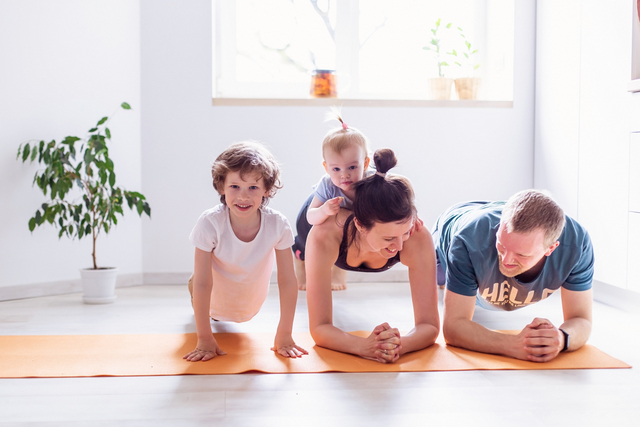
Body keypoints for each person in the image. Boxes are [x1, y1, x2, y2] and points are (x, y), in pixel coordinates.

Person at [305, 148, 440, 363]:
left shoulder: (415, 236)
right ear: (360, 225)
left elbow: (430, 326)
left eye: (403, 233)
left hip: (369, 203)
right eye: (388, 239)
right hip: (323, 211)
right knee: (305, 242)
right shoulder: (324, 235)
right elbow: (320, 328)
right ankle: (305, 257)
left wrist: (396, 345)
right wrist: (363, 347)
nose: (398, 245)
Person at [435, 190, 594, 362]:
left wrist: (562, 338)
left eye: (522, 255)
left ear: (551, 248)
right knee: (438, 277)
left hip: (486, 228)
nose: (506, 260)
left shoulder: (578, 245)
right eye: (501, 246)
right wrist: (513, 345)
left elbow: (581, 319)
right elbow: (453, 327)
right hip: (455, 229)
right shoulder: (467, 240)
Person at [184, 141, 308, 362]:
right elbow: (204, 283)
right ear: (222, 187)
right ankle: (192, 290)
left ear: (266, 190)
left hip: (249, 304)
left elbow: (288, 280)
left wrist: (285, 334)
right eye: (235, 187)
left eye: (253, 187)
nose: (243, 196)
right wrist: (204, 338)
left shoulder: (278, 224)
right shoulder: (209, 223)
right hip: (212, 301)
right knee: (198, 281)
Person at [292, 110, 372, 291]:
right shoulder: (327, 185)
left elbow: (394, 198)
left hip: (345, 222)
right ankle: (299, 258)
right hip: (314, 213)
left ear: (365, 164)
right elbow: (310, 217)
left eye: (352, 167)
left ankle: (337, 270)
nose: (344, 175)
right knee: (309, 242)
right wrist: (324, 210)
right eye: (336, 169)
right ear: (326, 167)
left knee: (341, 242)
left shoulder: (373, 181)